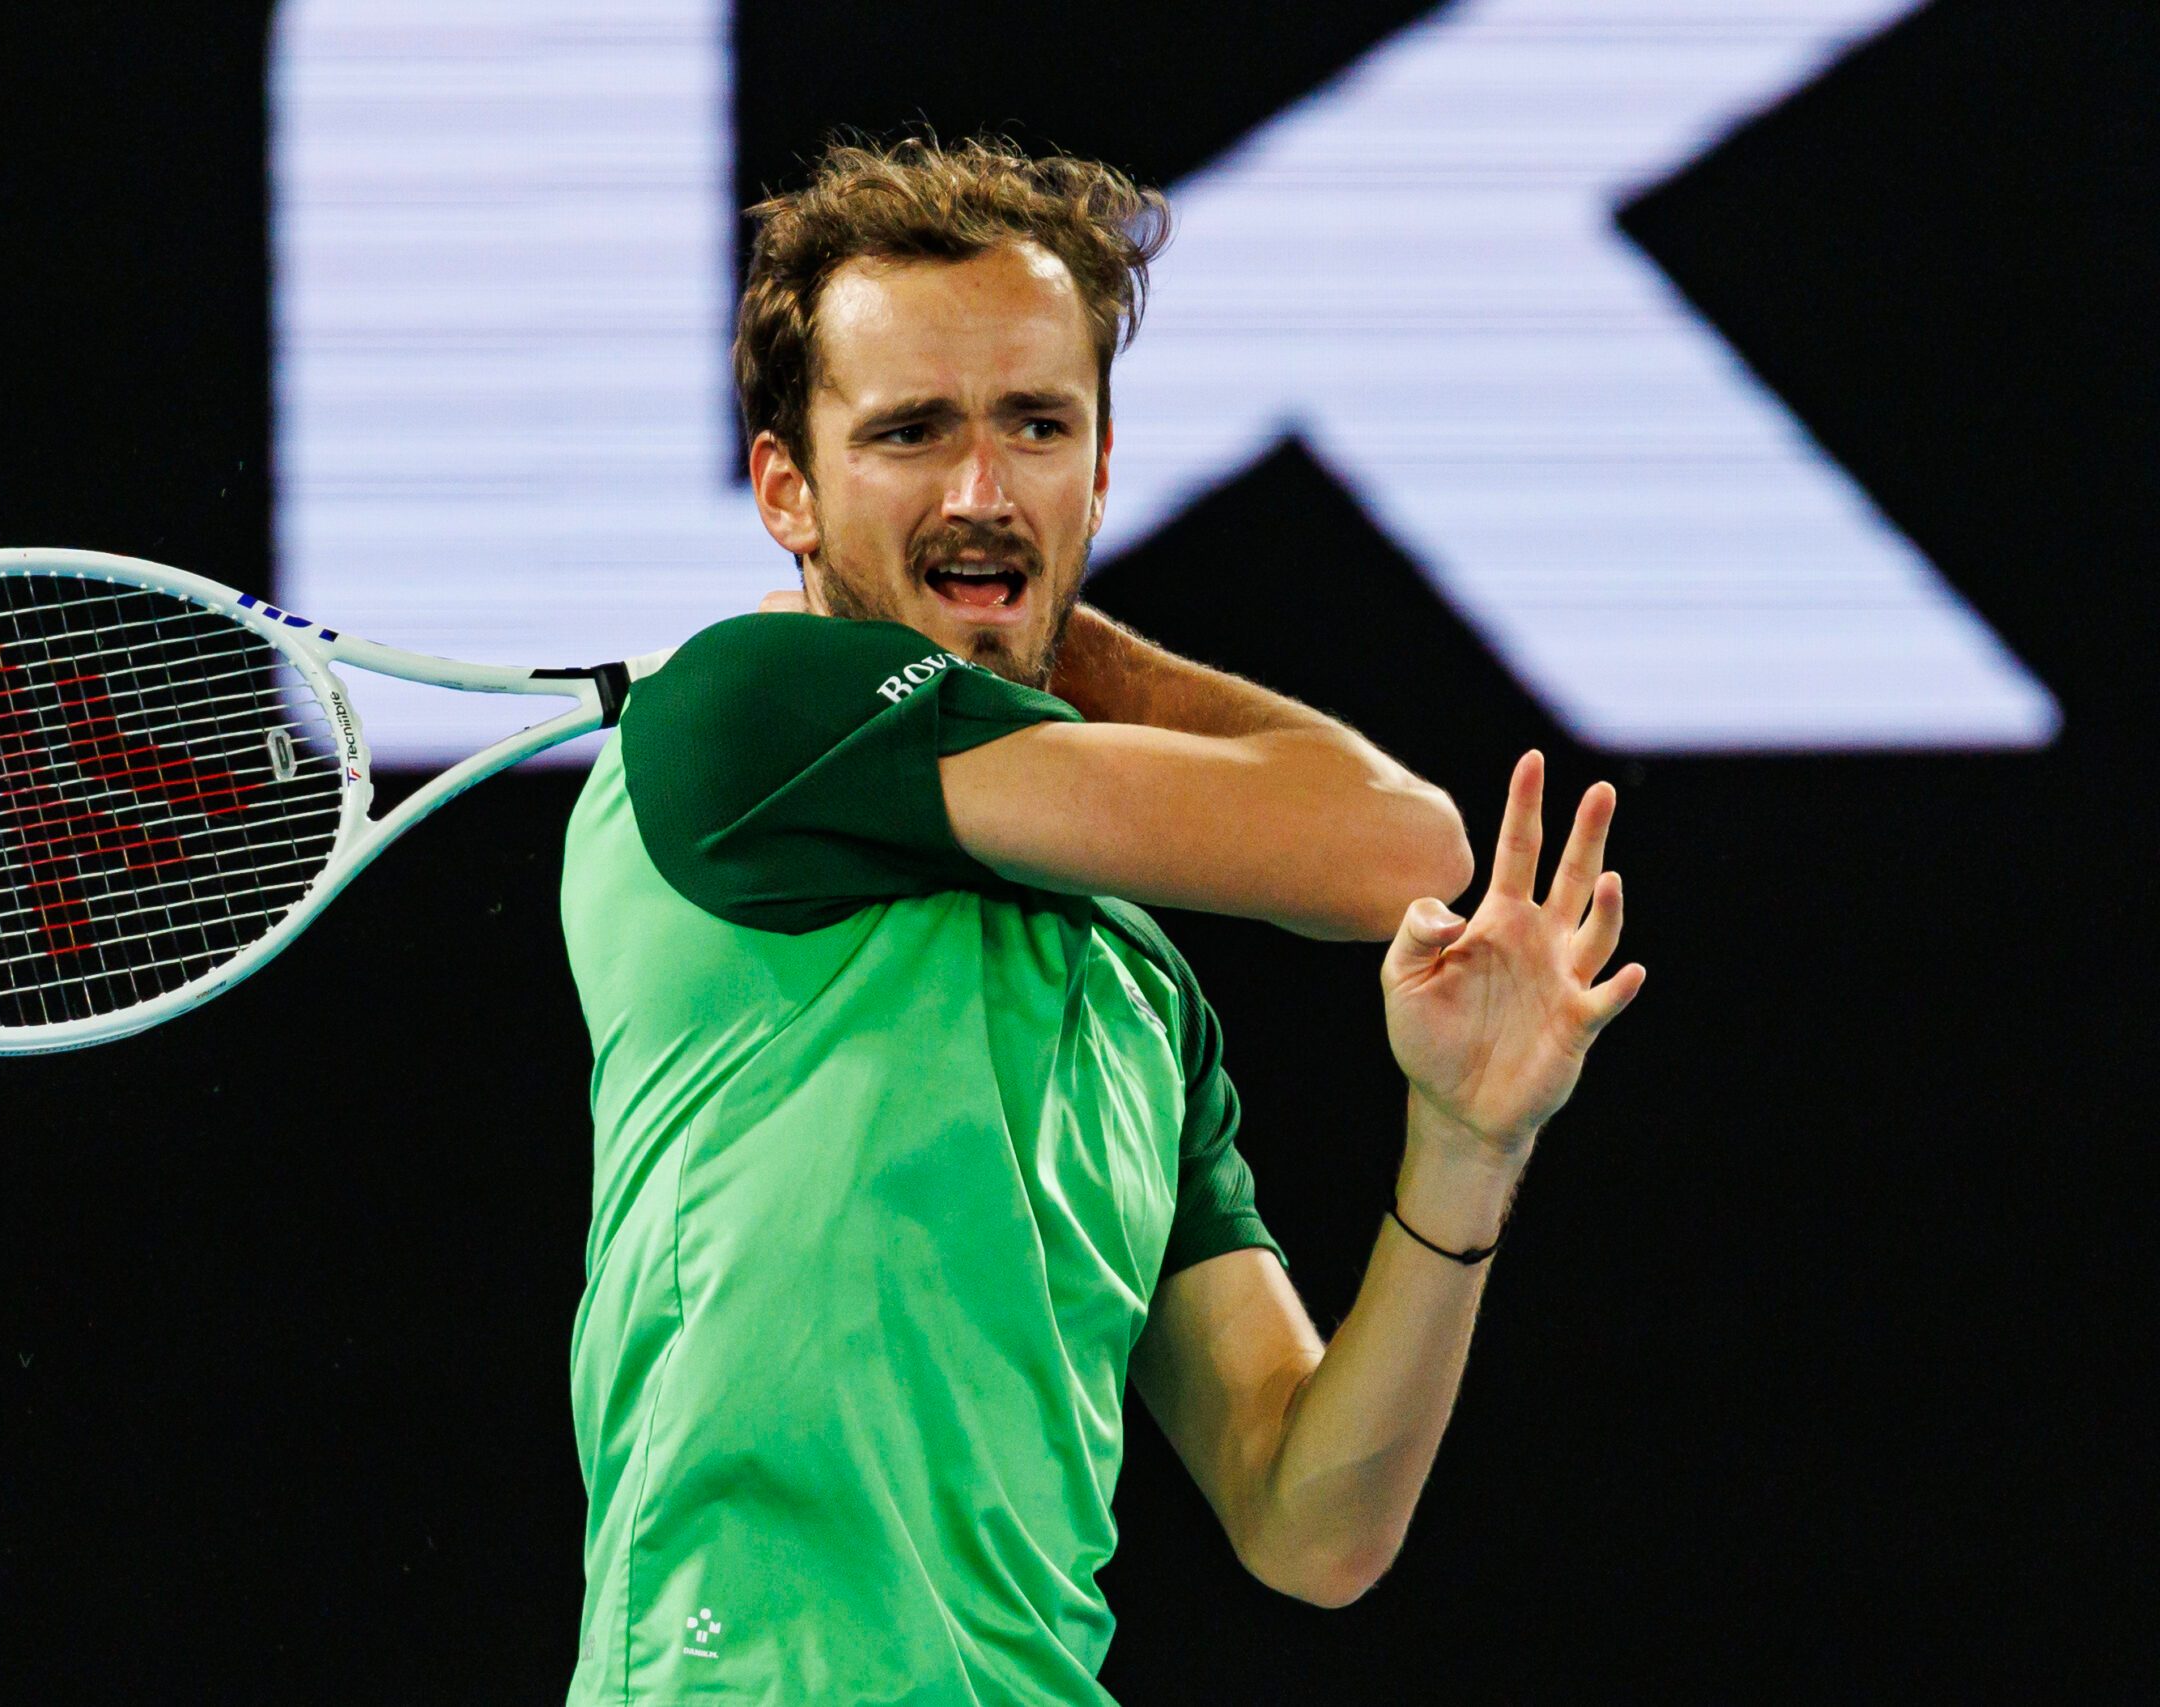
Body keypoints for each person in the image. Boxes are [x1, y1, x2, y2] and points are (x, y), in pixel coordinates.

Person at [558, 134, 1645, 1705]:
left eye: (1037, 429)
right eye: (912, 434)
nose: (983, 491)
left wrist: (1465, 1143)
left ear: (1104, 470)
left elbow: (1308, 1518)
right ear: (785, 490)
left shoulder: (1134, 990)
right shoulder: (744, 716)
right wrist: (1043, 622)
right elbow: (1393, 844)